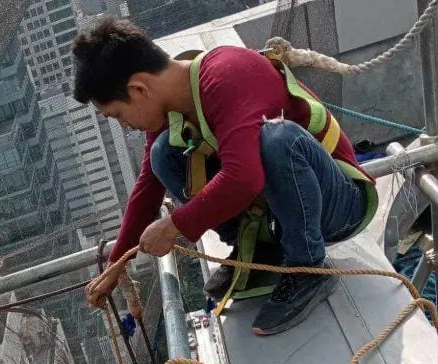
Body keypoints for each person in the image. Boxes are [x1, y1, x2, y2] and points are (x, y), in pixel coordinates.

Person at [73, 18, 378, 336]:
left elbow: (243, 179)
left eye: (118, 115)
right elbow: (148, 185)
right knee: (164, 154)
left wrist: (175, 226)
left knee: (276, 140)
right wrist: (116, 265)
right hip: (284, 207)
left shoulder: (226, 75)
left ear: (139, 89)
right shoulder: (176, 104)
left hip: (339, 205)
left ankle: (308, 268)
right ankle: (259, 248)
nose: (125, 126)